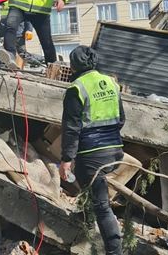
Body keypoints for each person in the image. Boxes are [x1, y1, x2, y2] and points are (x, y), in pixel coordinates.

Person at [59, 46, 125, 254]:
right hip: (115, 150)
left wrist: (66, 159)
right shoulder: (112, 83)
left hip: (92, 154)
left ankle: (114, 250)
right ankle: (85, 222)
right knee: (88, 185)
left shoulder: (76, 88)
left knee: (101, 205)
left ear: (73, 66)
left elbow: (71, 128)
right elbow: (121, 118)